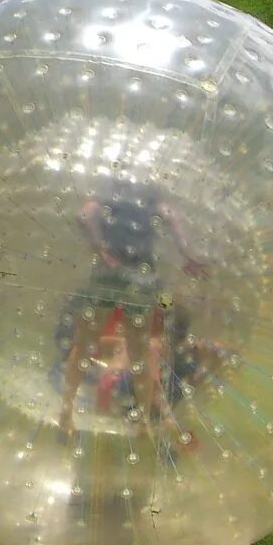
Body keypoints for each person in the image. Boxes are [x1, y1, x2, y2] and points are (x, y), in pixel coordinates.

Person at [54, 181, 209, 446]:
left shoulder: (109, 193)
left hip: (107, 273)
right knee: (139, 351)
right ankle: (143, 422)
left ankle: (66, 413)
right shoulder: (150, 198)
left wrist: (99, 248)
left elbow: (84, 215)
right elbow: (173, 218)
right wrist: (188, 255)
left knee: (83, 345)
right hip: (141, 275)